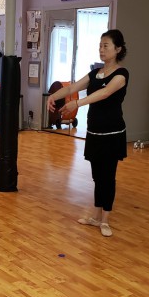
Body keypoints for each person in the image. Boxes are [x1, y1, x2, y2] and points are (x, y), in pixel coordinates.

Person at [46, 29, 129, 237]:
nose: (101, 49)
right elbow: (72, 87)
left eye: (106, 46)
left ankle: (105, 220)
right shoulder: (94, 74)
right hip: (94, 132)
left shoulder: (121, 74)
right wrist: (52, 96)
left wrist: (78, 103)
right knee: (97, 176)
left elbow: (105, 93)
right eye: (100, 45)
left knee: (107, 176)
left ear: (118, 49)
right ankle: (95, 216)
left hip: (112, 133)